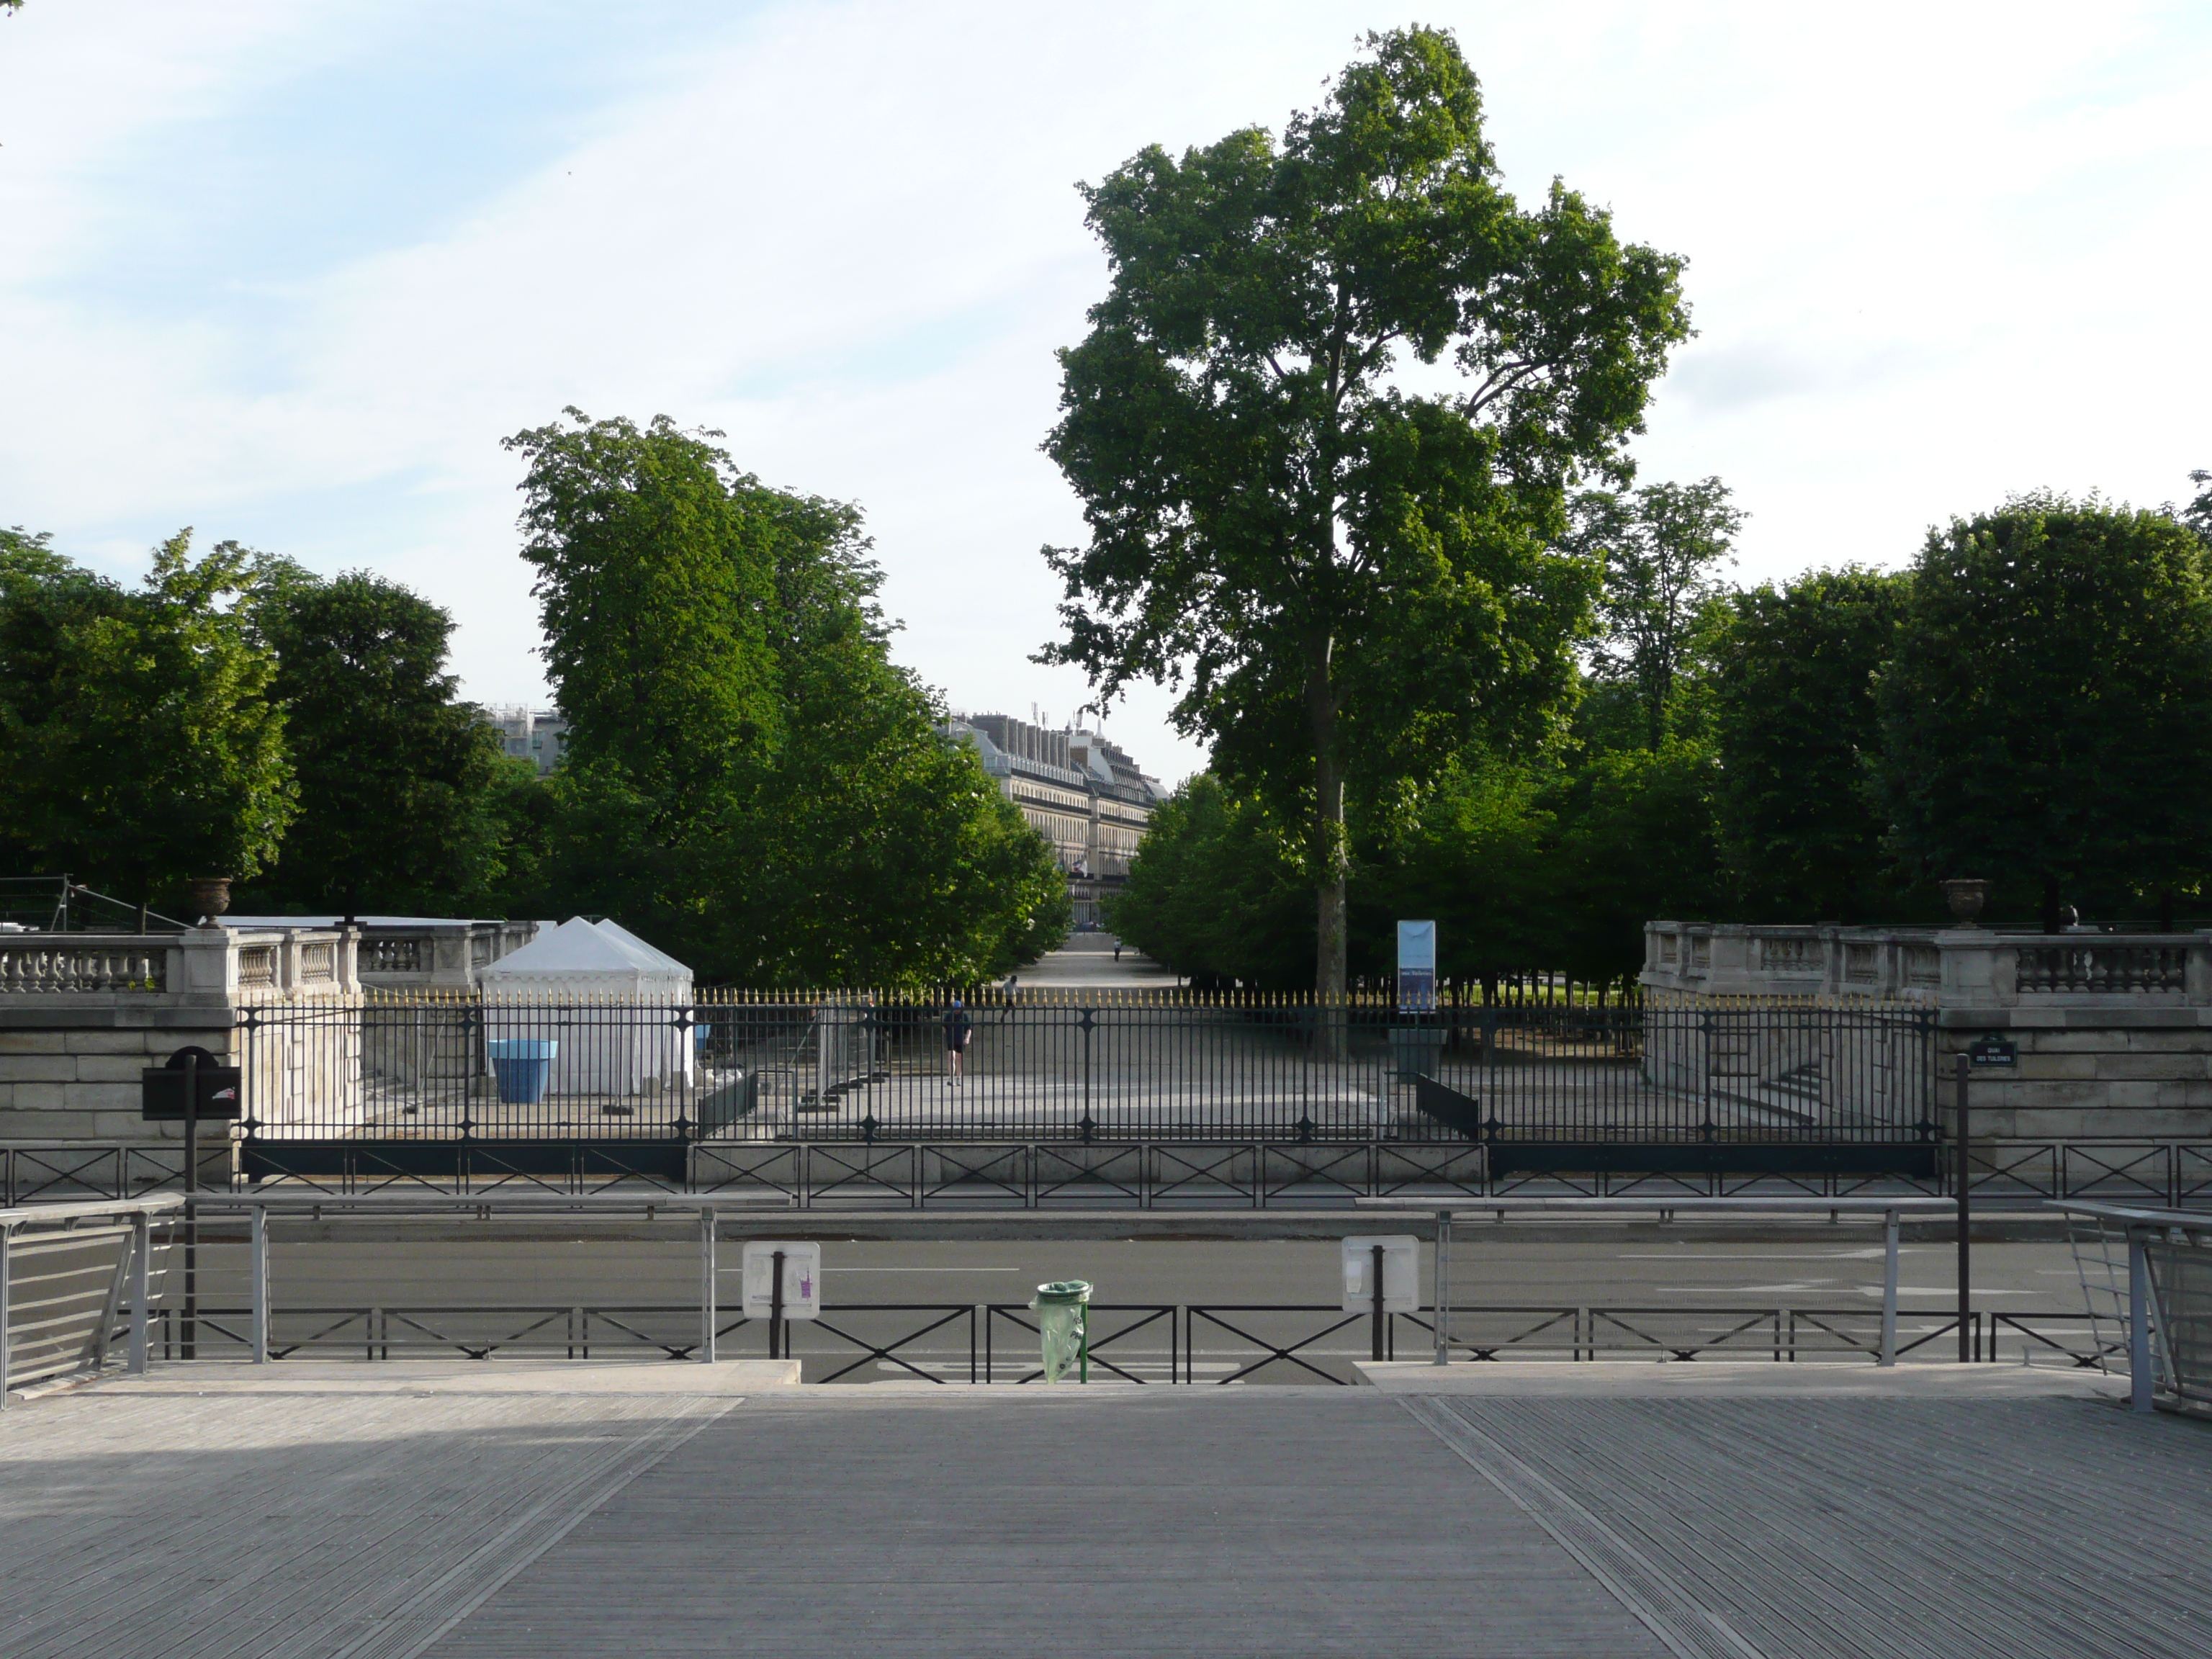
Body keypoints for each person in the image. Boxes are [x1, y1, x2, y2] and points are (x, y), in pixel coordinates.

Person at [943, 997, 972, 1087]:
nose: (957, 1011)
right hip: (951, 1039)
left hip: (960, 1040)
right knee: (952, 1057)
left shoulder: (964, 1016)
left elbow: (969, 1029)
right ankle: (951, 1078)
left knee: (959, 1059)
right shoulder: (949, 1016)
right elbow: (944, 1026)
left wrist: (967, 1038)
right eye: (955, 1009)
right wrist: (947, 1034)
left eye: (958, 1009)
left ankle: (959, 1078)